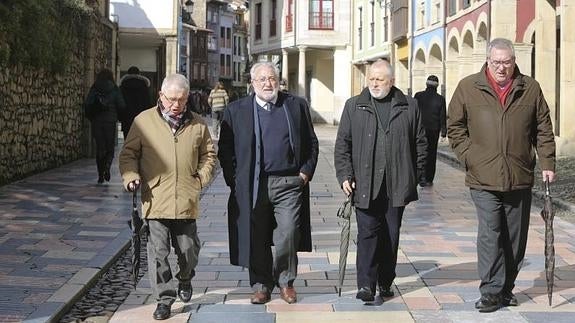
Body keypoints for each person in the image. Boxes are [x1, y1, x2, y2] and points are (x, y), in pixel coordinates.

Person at [448, 38, 556, 313]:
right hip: (482, 178)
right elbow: (455, 126)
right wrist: (470, 157)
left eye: (506, 62)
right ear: (487, 61)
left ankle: (506, 288)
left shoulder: (530, 88)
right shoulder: (468, 87)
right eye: (496, 62)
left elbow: (543, 127)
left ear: (514, 61)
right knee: (490, 233)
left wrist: (547, 163)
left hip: (518, 175)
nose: (501, 68)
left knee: (515, 238)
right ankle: (490, 291)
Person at [218, 62, 319, 305]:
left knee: (289, 232)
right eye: (261, 79)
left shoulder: (295, 106)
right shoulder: (236, 110)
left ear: (279, 80)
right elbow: (225, 150)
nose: (267, 83)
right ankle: (261, 284)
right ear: (252, 84)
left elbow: (312, 143)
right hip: (253, 185)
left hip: (288, 183)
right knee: (256, 236)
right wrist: (235, 181)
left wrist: (304, 173)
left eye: (272, 78)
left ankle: (285, 281)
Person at [119, 74, 217, 320]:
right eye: (172, 99)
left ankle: (185, 278)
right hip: (155, 199)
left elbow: (209, 155)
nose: (176, 104)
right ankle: (164, 299)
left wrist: (201, 179)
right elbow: (128, 154)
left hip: (186, 198)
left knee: (188, 251)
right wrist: (130, 175)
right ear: (161, 96)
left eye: (182, 100)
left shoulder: (197, 124)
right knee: (158, 253)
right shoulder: (143, 121)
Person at [334, 59, 426, 303]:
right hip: (364, 183)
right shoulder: (354, 106)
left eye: (380, 79)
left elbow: (421, 144)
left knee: (390, 235)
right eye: (371, 79)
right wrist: (345, 175)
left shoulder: (410, 106)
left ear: (392, 81)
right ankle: (366, 284)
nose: (374, 83)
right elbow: (343, 144)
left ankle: (385, 280)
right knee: (367, 234)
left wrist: (413, 177)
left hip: (397, 185)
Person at [84, 68, 125, 184]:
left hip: (97, 121)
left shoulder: (95, 87)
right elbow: (121, 105)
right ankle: (107, 166)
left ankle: (100, 174)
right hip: (110, 122)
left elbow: (88, 103)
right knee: (109, 148)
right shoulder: (114, 89)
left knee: (100, 148)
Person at [414, 75, 446, 186]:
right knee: (432, 154)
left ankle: (420, 176)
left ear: (426, 84)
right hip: (433, 130)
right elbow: (442, 116)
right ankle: (428, 178)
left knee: (420, 152)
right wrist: (444, 131)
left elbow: (414, 112)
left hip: (419, 129)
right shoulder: (440, 99)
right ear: (437, 86)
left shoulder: (418, 96)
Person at [119, 66, 151, 139]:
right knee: (139, 138)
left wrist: (120, 117)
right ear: (139, 74)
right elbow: (147, 102)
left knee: (127, 139)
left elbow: (120, 103)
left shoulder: (123, 86)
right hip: (141, 117)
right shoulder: (144, 86)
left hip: (126, 117)